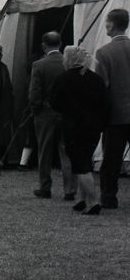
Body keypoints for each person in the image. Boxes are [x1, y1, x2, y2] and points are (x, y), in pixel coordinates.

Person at [50, 46, 109, 216]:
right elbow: (105, 104)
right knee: (84, 162)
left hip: (73, 127)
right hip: (93, 127)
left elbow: (54, 102)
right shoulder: (96, 79)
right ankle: (83, 200)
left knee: (80, 165)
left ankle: (94, 202)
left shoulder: (63, 79)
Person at [28, 32, 75, 201]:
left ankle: (45, 187)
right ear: (61, 43)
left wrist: (36, 110)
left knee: (45, 151)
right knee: (66, 151)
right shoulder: (68, 63)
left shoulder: (39, 65)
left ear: (43, 45)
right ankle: (69, 189)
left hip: (45, 113)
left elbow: (34, 93)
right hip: (66, 113)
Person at [95, 8, 130, 210]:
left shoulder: (104, 53)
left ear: (111, 24)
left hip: (115, 116)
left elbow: (102, 88)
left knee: (111, 161)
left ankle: (109, 198)